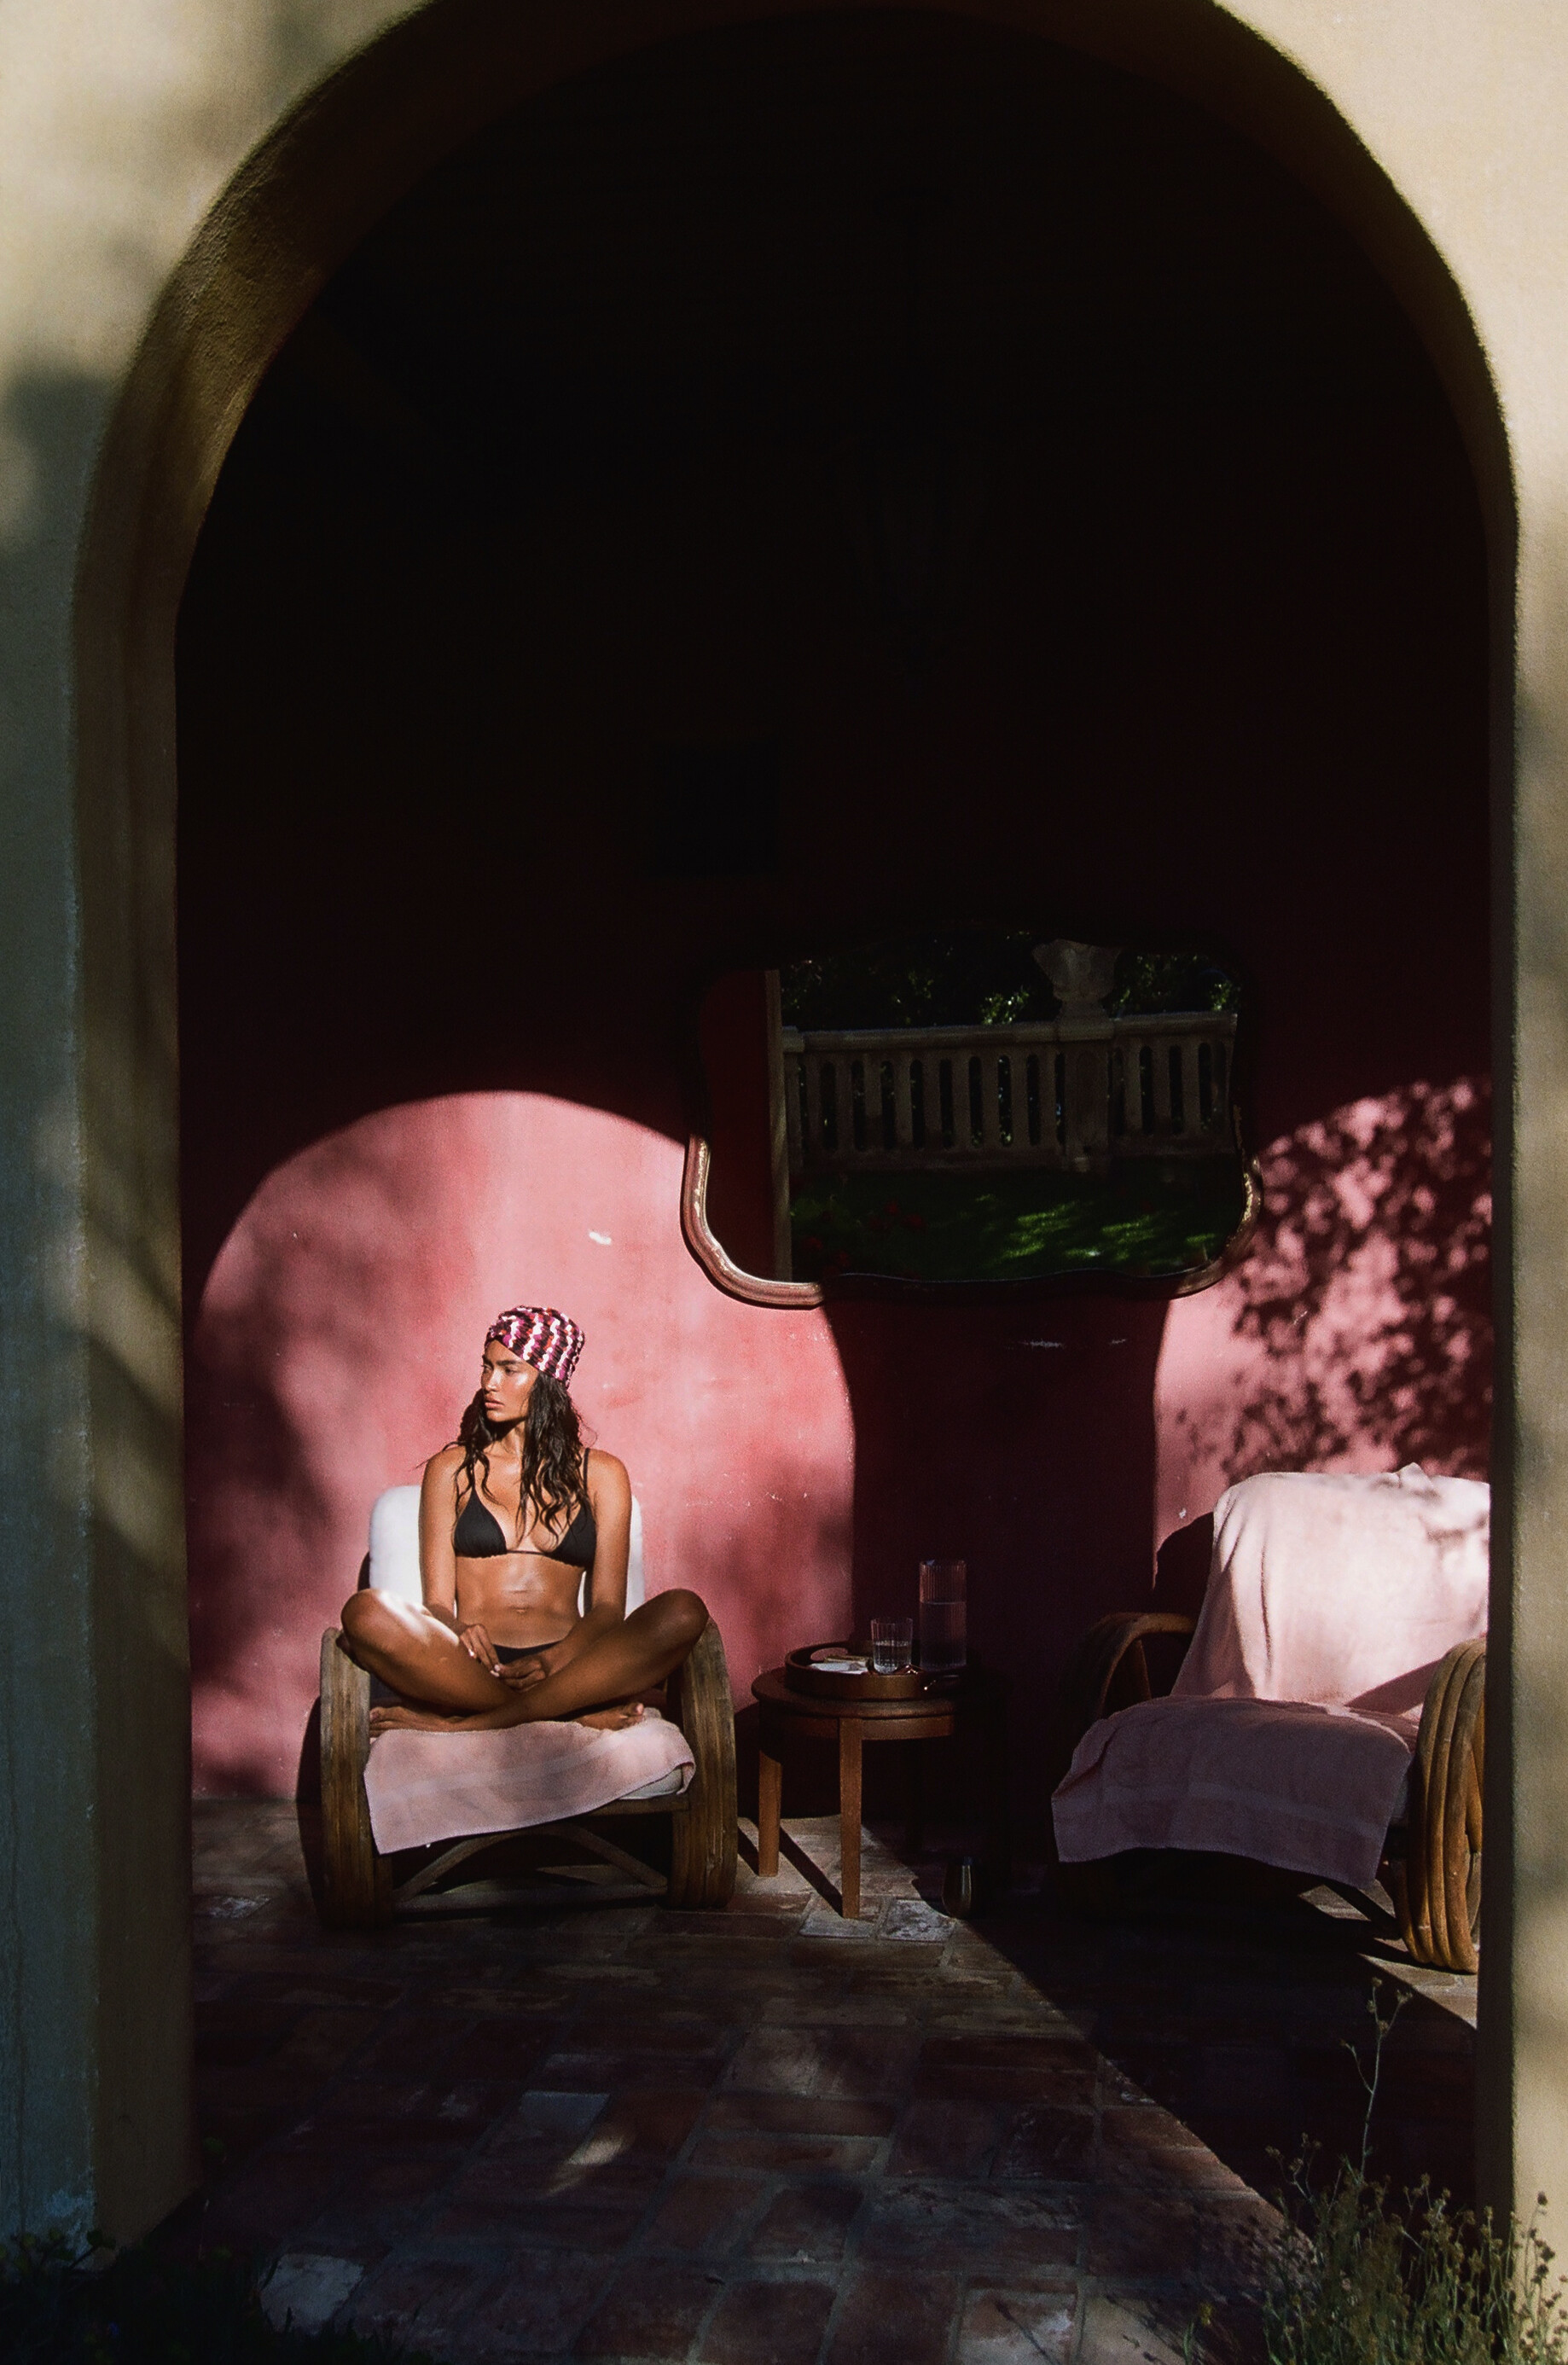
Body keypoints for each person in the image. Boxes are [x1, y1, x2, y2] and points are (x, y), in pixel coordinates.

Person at [340, 1306, 707, 1735]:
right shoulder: (452, 1469)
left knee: (685, 1610)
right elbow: (437, 1603)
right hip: (475, 1666)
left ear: (547, 1380)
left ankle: (464, 1724)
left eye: (509, 1370)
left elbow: (607, 1610)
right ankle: (566, 1714)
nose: (488, 1383)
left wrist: (556, 1661)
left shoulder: (603, 1474)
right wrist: (458, 1629)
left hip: (568, 1664)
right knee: (363, 1612)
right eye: (486, 1367)